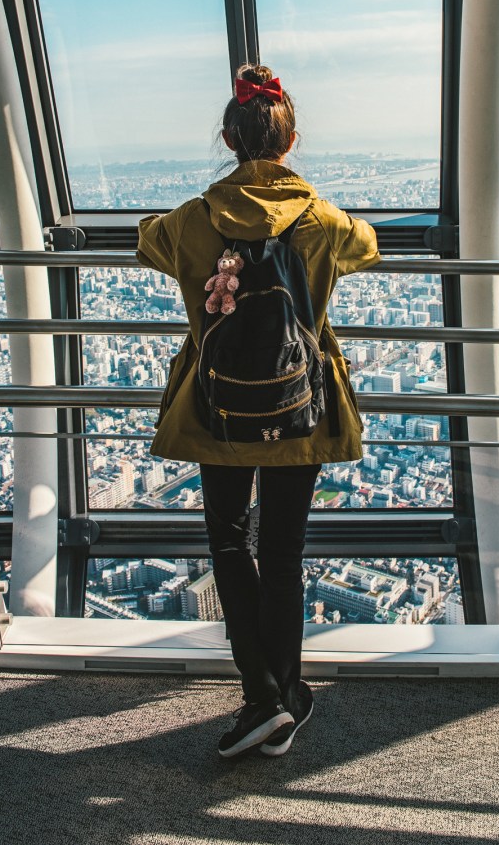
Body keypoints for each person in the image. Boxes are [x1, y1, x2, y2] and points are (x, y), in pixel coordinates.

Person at [137, 63, 380, 758]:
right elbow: (370, 245)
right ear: (291, 139)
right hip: (300, 411)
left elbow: (146, 237)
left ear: (227, 138)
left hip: (218, 414)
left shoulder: (191, 222)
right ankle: (289, 690)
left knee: (227, 543)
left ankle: (262, 696)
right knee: (283, 551)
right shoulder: (323, 220)